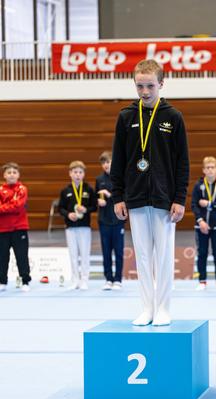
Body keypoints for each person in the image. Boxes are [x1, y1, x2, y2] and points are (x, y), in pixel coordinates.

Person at [111, 59, 190, 326]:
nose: (145, 92)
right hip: (134, 197)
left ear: (161, 84)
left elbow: (182, 162)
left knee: (164, 256)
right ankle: (147, 308)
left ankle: (164, 308)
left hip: (164, 199)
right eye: (140, 86)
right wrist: (118, 196)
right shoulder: (125, 117)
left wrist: (179, 199)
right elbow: (118, 160)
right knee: (142, 256)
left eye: (150, 86)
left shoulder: (173, 117)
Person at [191, 156, 216, 291]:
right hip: (201, 225)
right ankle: (202, 281)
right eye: (207, 168)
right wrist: (200, 221)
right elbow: (193, 205)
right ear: (203, 170)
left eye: (212, 167)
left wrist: (209, 204)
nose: (210, 170)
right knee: (202, 253)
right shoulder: (198, 185)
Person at [59, 161, 97, 291]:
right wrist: (68, 214)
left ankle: (84, 279)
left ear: (84, 174)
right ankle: (75, 279)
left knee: (85, 254)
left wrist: (86, 210)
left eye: (80, 172)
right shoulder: (65, 191)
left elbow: (94, 206)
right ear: (70, 173)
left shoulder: (88, 189)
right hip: (70, 227)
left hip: (84, 227)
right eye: (75, 172)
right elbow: (60, 208)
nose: (77, 175)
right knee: (73, 254)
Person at [95, 151, 125, 291]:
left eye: (109, 162)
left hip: (118, 220)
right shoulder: (99, 180)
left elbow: (124, 196)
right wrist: (99, 201)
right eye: (104, 162)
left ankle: (118, 279)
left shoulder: (120, 178)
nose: (106, 165)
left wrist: (110, 195)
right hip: (104, 220)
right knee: (106, 251)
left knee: (118, 251)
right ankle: (108, 279)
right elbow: (97, 197)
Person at [0, 162, 31, 292]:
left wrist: (3, 207)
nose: (12, 175)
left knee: (21, 255)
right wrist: (9, 206)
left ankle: (25, 281)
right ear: (4, 175)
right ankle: (2, 281)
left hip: (19, 228)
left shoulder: (22, 189)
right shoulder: (0, 190)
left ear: (18, 175)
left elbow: (18, 205)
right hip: (2, 229)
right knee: (2, 257)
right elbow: (13, 206)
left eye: (14, 172)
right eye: (9, 172)